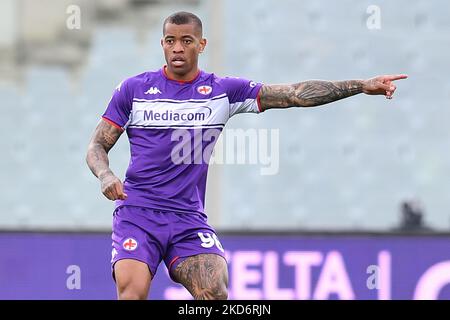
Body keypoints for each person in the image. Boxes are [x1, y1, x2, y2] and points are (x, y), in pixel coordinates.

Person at [86, 11, 407, 300]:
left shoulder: (222, 91)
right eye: (170, 41)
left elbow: (294, 94)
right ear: (162, 43)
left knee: (214, 291)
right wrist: (105, 174)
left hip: (187, 220)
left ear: (202, 44)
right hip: (138, 213)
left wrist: (361, 85)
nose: (178, 48)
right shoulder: (134, 89)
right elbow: (97, 145)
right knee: (133, 293)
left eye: (187, 41)